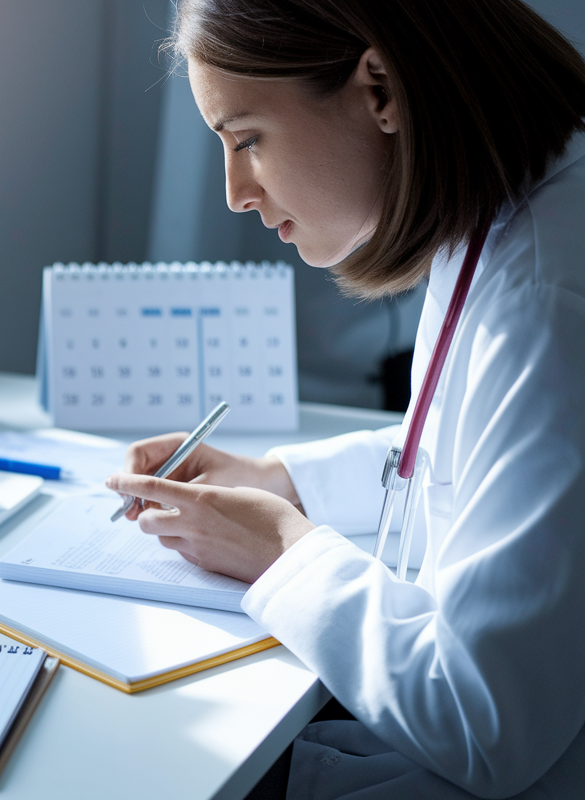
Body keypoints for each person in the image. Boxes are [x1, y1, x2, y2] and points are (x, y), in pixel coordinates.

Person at [106, 1, 585, 797]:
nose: (234, 192)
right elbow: (465, 456)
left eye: (247, 139)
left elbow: (485, 722)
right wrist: (279, 482)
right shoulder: (506, 218)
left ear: (380, 89)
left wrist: (284, 550)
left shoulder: (544, 296)